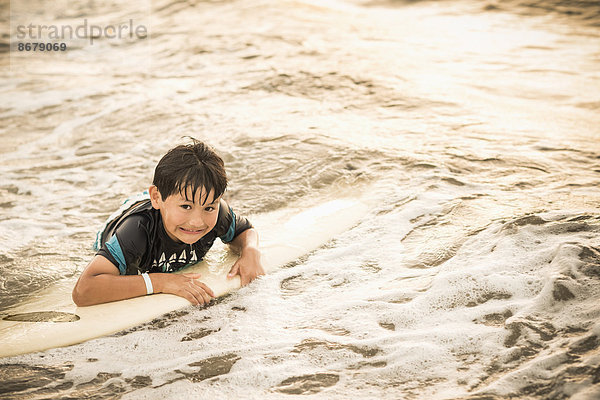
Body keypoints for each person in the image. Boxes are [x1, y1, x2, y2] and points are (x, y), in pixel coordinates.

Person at [72, 139, 264, 307]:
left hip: (168, 203)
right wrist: (161, 282)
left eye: (208, 208)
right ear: (156, 197)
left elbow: (246, 230)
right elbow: (84, 290)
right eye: (186, 207)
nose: (197, 222)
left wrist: (250, 251)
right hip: (129, 218)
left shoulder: (217, 212)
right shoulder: (137, 232)